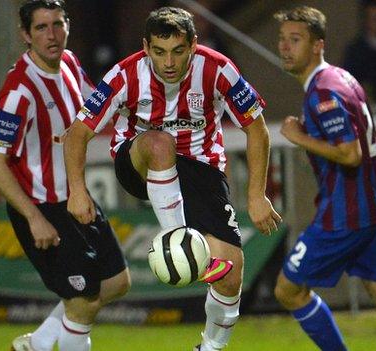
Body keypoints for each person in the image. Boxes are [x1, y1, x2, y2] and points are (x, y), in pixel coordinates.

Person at [64, 7, 281, 350]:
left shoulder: (218, 69)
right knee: (160, 141)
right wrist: (77, 190)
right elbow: (77, 134)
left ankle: (210, 347)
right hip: (139, 161)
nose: (168, 62)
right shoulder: (124, 75)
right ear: (146, 47)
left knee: (230, 271)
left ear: (193, 45)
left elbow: (257, 129)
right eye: (160, 52)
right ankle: (176, 236)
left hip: (200, 167)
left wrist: (256, 195)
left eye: (178, 51)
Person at [273, 6, 376, 351]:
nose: (285, 47)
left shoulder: (323, 93)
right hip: (372, 206)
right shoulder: (341, 77)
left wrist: (298, 136)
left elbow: (350, 154)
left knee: (288, 290)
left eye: (295, 39)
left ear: (318, 45)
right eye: (282, 39)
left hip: (344, 215)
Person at [0, 1, 130, 350]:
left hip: (76, 198)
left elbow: (97, 103)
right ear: (25, 35)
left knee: (117, 282)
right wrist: (33, 217)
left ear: (68, 25)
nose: (52, 35)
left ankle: (39, 343)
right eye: (41, 28)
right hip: (42, 207)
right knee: (83, 303)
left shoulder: (70, 63)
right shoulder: (19, 91)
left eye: (57, 24)